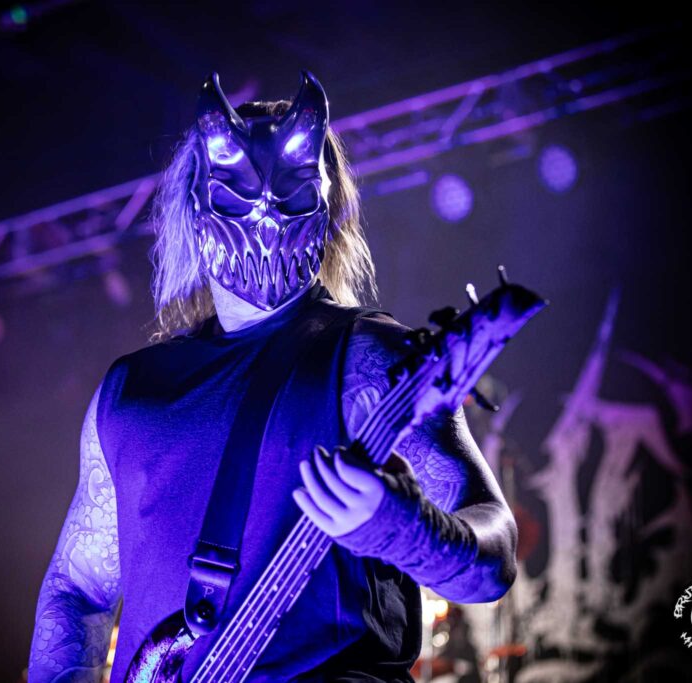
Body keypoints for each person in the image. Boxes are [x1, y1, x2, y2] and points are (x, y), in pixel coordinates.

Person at [28, 70, 518, 683]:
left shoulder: (369, 359)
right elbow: (77, 589)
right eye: (237, 189)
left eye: (291, 188)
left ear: (329, 204)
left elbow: (494, 558)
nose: (263, 210)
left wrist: (407, 532)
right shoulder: (130, 390)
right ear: (194, 204)